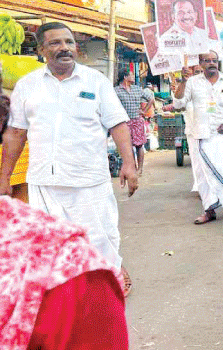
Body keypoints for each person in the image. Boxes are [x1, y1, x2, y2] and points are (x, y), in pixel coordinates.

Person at [0, 22, 138, 293]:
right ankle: (66, 293)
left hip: (89, 180)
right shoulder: (27, 85)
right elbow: (16, 133)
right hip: (44, 181)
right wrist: (5, 176)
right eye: (55, 43)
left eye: (68, 42)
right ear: (41, 50)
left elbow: (118, 124)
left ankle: (111, 279)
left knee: (100, 238)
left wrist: (129, 164)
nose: (64, 48)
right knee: (51, 241)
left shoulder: (95, 81)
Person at [0, 196, 140, 350]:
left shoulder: (66, 276)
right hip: (47, 178)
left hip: (84, 186)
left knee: (100, 234)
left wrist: (128, 163)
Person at [173, 51, 223, 224]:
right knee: (202, 175)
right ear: (201, 63)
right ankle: (209, 210)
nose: (211, 63)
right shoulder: (192, 82)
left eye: (214, 60)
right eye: (207, 61)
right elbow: (179, 103)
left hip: (222, 133)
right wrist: (183, 81)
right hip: (200, 135)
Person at [115, 69, 153, 175]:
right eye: (131, 75)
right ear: (125, 77)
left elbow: (151, 99)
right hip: (124, 122)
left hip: (137, 120)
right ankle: (132, 167)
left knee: (139, 145)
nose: (133, 77)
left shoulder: (137, 89)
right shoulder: (116, 91)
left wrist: (144, 111)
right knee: (128, 146)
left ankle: (139, 169)